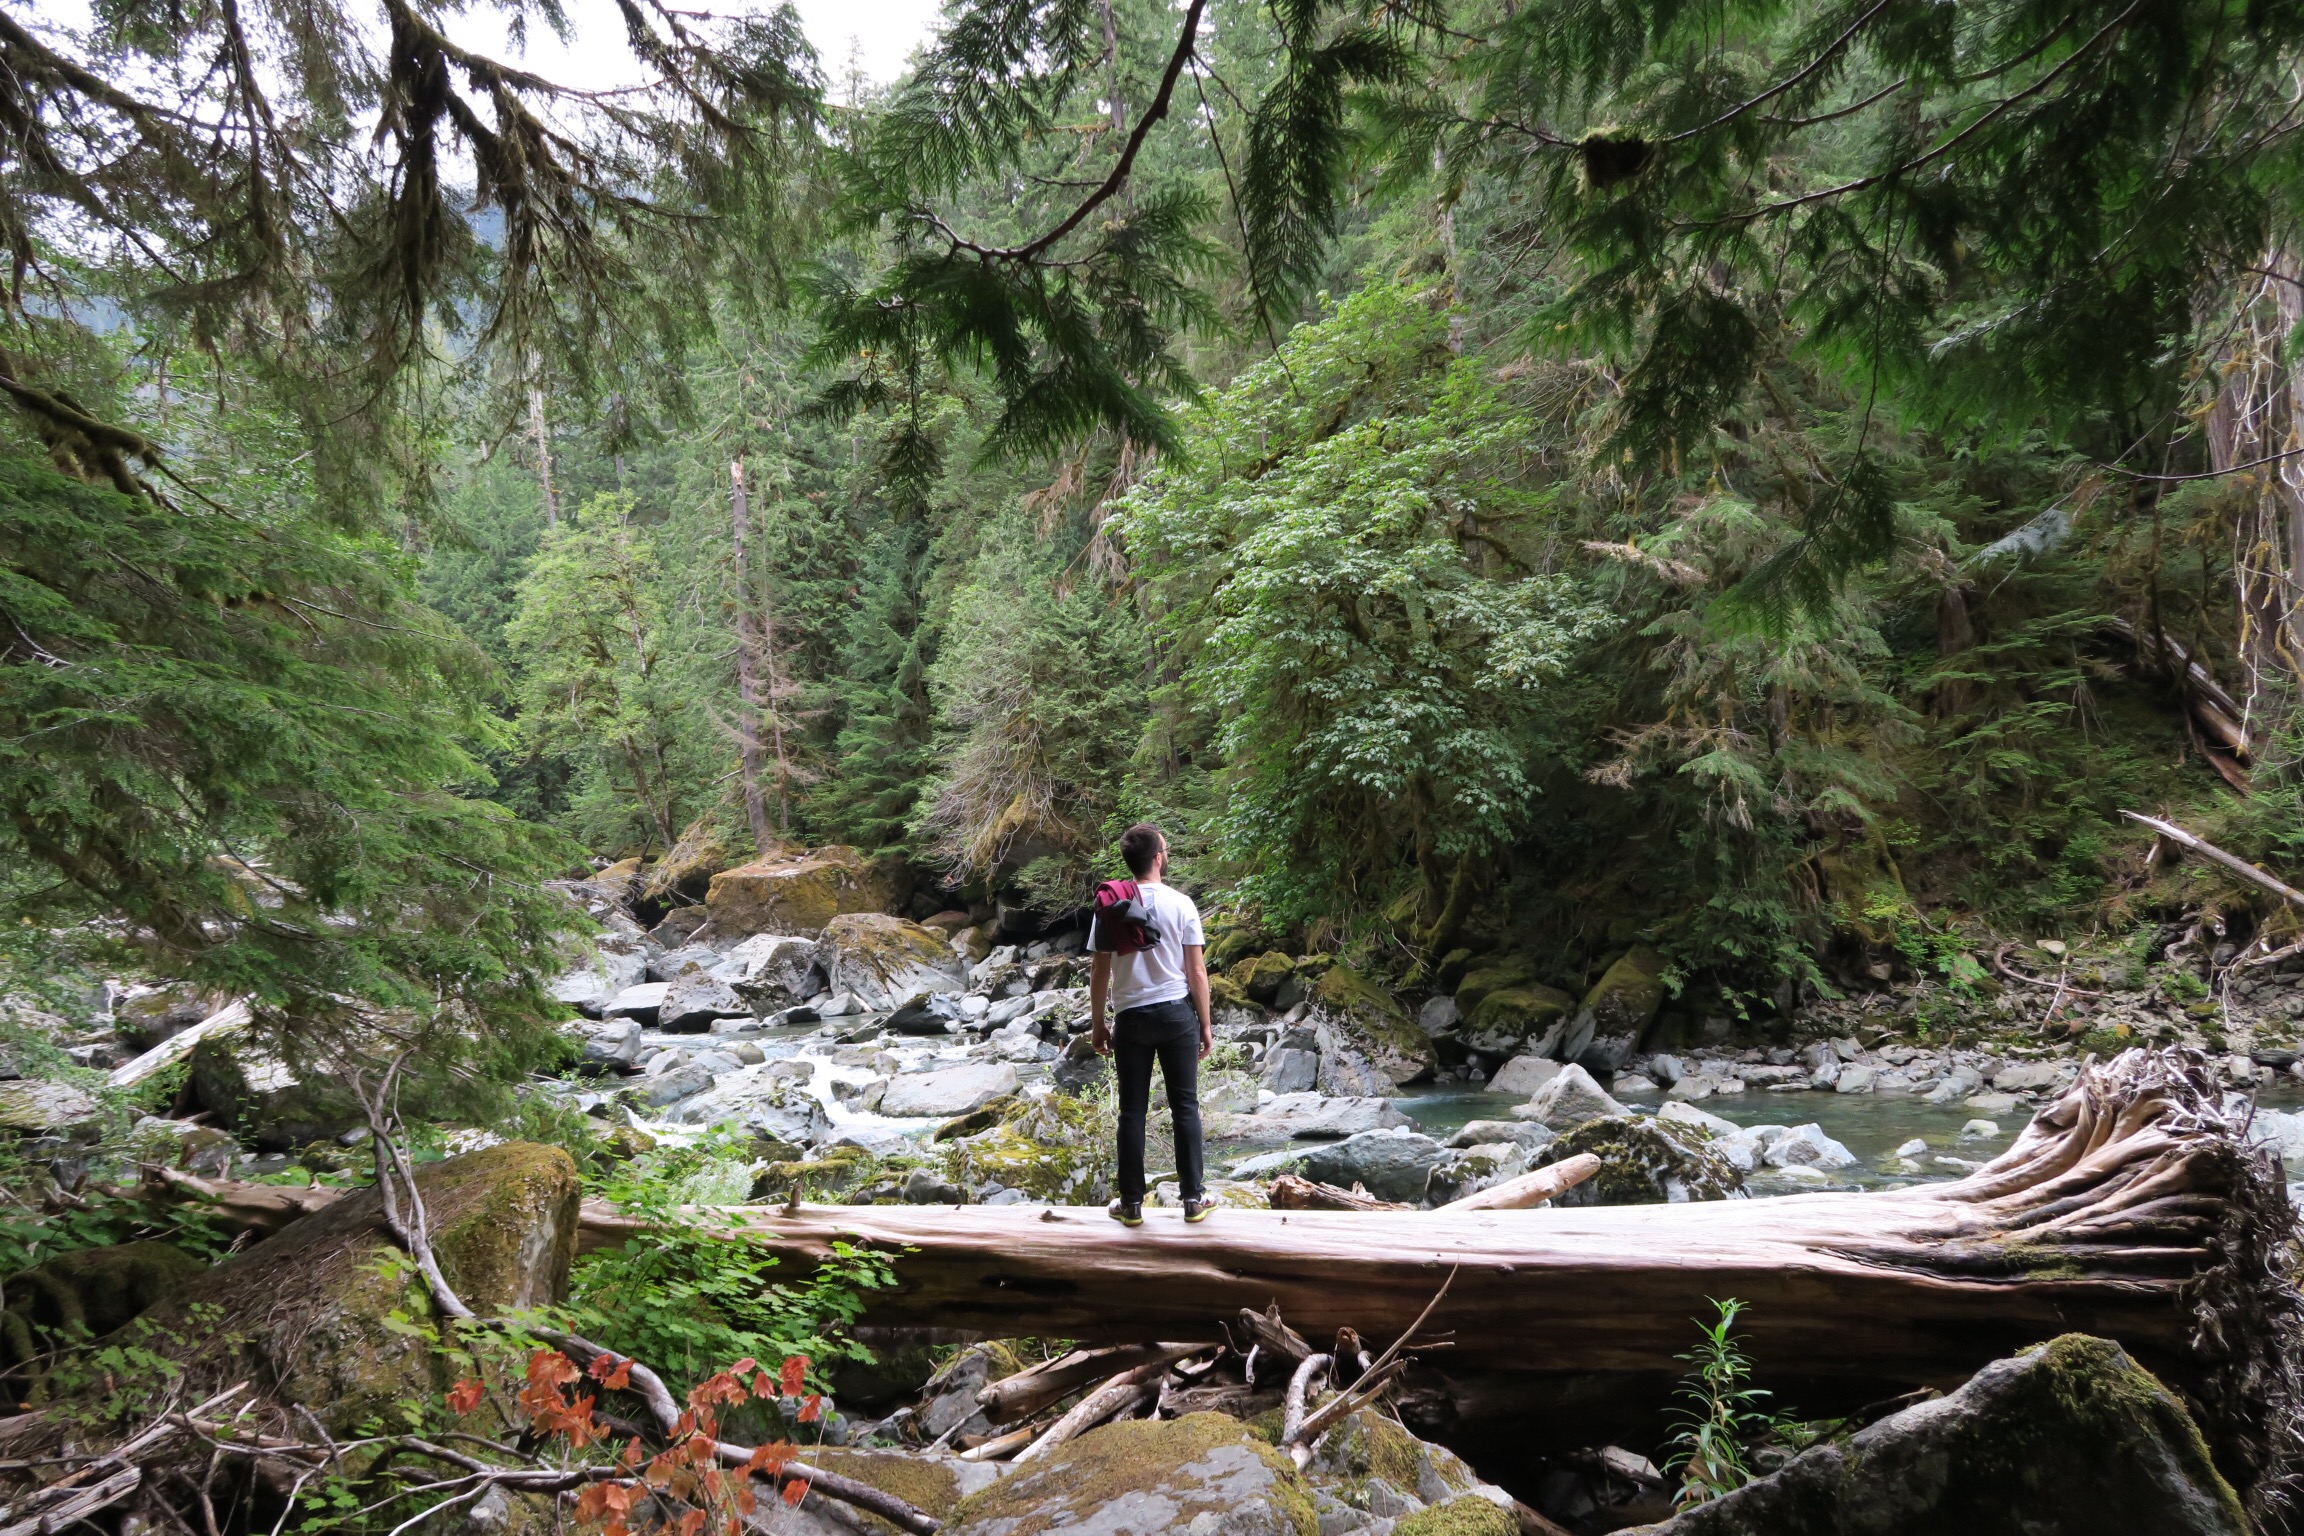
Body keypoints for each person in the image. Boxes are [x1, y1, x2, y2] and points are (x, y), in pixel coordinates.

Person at [1089, 822, 1213, 1226]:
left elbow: (1100, 969)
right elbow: (1196, 971)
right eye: (1166, 848)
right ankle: (1193, 1199)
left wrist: (1098, 1024)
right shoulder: (1182, 903)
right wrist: (1205, 1024)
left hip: (1130, 1017)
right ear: (1158, 858)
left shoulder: (1111, 903)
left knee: (1132, 1112)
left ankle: (1131, 1205)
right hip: (1177, 1014)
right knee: (1185, 1107)